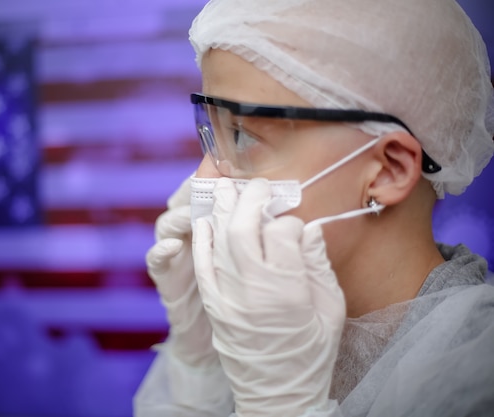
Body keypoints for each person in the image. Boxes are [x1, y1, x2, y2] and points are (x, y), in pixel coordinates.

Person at [134, 0, 494, 416]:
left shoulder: (477, 373)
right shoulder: (256, 345)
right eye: (211, 134)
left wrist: (281, 406)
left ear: (389, 170)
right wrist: (196, 365)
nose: (205, 180)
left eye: (245, 138)